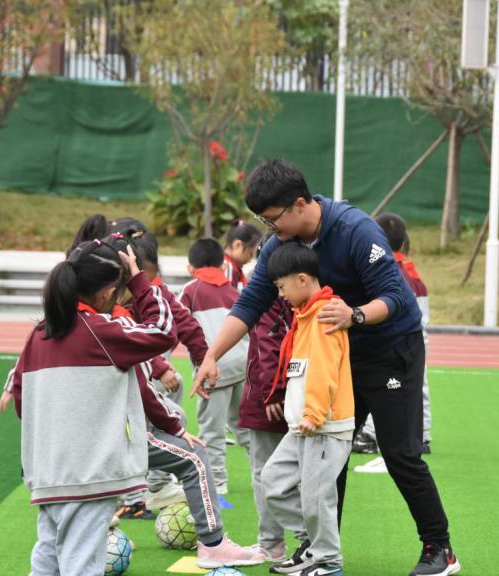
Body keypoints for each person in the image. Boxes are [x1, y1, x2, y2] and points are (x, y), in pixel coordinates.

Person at [192, 159, 460, 576]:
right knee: (325, 454)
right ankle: (319, 551)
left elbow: (395, 297)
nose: (269, 228)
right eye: (262, 221)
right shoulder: (279, 245)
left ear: (300, 204)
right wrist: (212, 356)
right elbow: (249, 304)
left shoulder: (356, 230)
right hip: (338, 357)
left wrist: (354, 315)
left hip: (390, 351)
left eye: (272, 218)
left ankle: (439, 548)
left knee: (400, 454)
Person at [10, 238, 178, 575]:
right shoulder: (102, 331)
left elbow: (20, 400)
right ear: (107, 292)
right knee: (82, 564)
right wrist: (139, 281)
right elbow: (163, 332)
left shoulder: (38, 335)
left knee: (47, 559)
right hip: (89, 474)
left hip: (47, 472)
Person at [259, 243, 353, 576]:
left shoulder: (324, 315)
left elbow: (324, 370)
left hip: (323, 426)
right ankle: (311, 545)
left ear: (301, 279)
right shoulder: (304, 316)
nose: (281, 294)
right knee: (272, 481)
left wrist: (314, 413)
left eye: (282, 286)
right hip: (302, 425)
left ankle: (328, 561)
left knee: (317, 498)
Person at [355, 213, 432, 467]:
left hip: (396, 338)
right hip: (416, 336)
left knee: (383, 387)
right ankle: (423, 435)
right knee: (416, 387)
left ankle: (371, 435)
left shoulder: (384, 273)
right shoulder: (413, 275)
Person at [179, 238, 250, 495]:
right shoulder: (234, 291)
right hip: (242, 365)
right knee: (244, 427)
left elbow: (176, 323)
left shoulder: (190, 290)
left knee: (212, 430)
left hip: (213, 369)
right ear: (222, 264)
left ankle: (217, 481)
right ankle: (264, 473)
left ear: (190, 267)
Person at [238, 232, 293, 563]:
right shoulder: (304, 292)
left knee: (265, 471)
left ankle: (272, 543)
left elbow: (268, 342)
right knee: (304, 473)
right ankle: (313, 543)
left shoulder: (266, 295)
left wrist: (273, 390)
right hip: (301, 393)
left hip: (269, 397)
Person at [223, 220, 263, 292]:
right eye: (250, 254)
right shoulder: (227, 267)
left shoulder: (234, 267)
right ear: (237, 245)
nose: (250, 260)